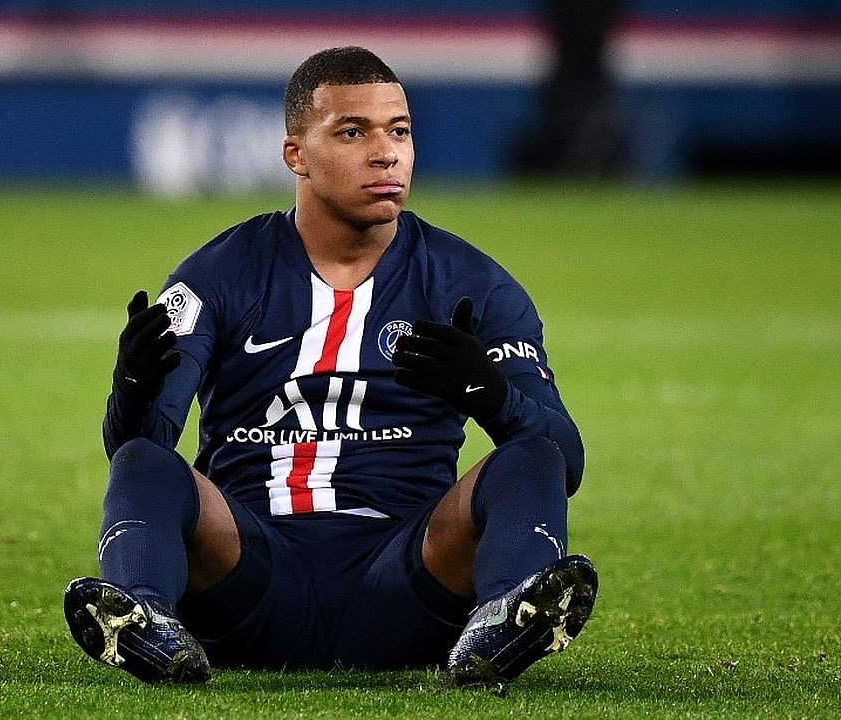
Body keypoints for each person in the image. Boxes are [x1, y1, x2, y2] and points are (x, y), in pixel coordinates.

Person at [63, 46, 596, 687]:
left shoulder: (473, 285)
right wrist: (132, 390)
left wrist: (490, 394)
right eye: (353, 132)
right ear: (297, 154)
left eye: (400, 131)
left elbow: (565, 460)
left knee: (532, 455)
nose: (386, 154)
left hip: (405, 582)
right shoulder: (218, 276)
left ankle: (504, 619)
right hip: (252, 581)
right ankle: (145, 618)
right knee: (145, 463)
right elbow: (140, 450)